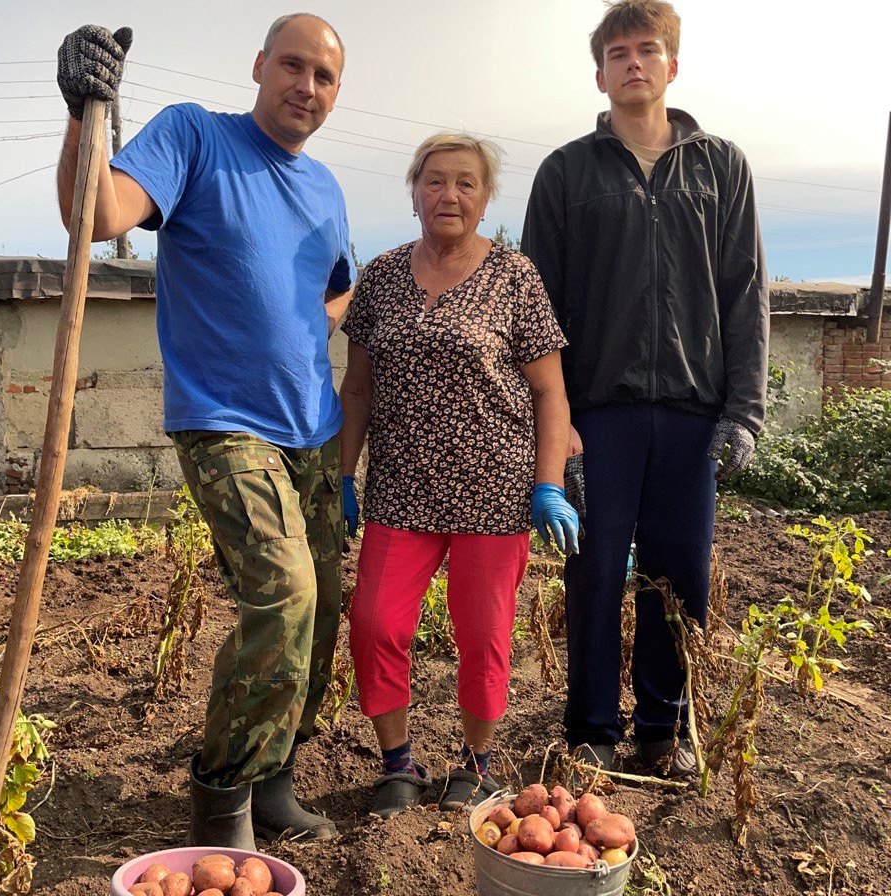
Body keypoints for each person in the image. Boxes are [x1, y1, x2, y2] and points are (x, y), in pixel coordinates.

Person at [55, 14, 355, 847]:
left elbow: (341, 289)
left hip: (314, 432)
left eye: (325, 77)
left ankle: (275, 778)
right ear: (260, 66)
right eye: (293, 67)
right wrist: (86, 112)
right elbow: (99, 213)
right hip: (226, 427)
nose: (307, 87)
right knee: (285, 596)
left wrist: (305, 321)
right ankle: (221, 799)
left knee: (325, 611)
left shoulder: (326, 188)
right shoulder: (195, 136)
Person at [522, 0, 769, 778]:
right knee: (595, 569)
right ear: (600, 73)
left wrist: (745, 413)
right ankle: (592, 727)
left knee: (681, 574)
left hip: (695, 415)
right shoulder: (566, 172)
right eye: (619, 52)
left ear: (672, 65)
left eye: (648, 49)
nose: (634, 62)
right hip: (600, 412)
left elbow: (745, 292)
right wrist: (555, 424)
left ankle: (666, 730)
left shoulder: (722, 166)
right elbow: (539, 307)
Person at [339, 133, 580, 818]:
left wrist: (550, 482)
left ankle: (475, 762)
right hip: (400, 491)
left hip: (495, 493)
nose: (450, 194)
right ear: (414, 192)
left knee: (483, 637)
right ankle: (398, 764)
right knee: (374, 624)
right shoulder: (382, 276)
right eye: (436, 181)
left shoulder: (515, 277)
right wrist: (344, 477)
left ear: (485, 197)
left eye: (466, 183)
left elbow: (549, 393)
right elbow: (357, 390)